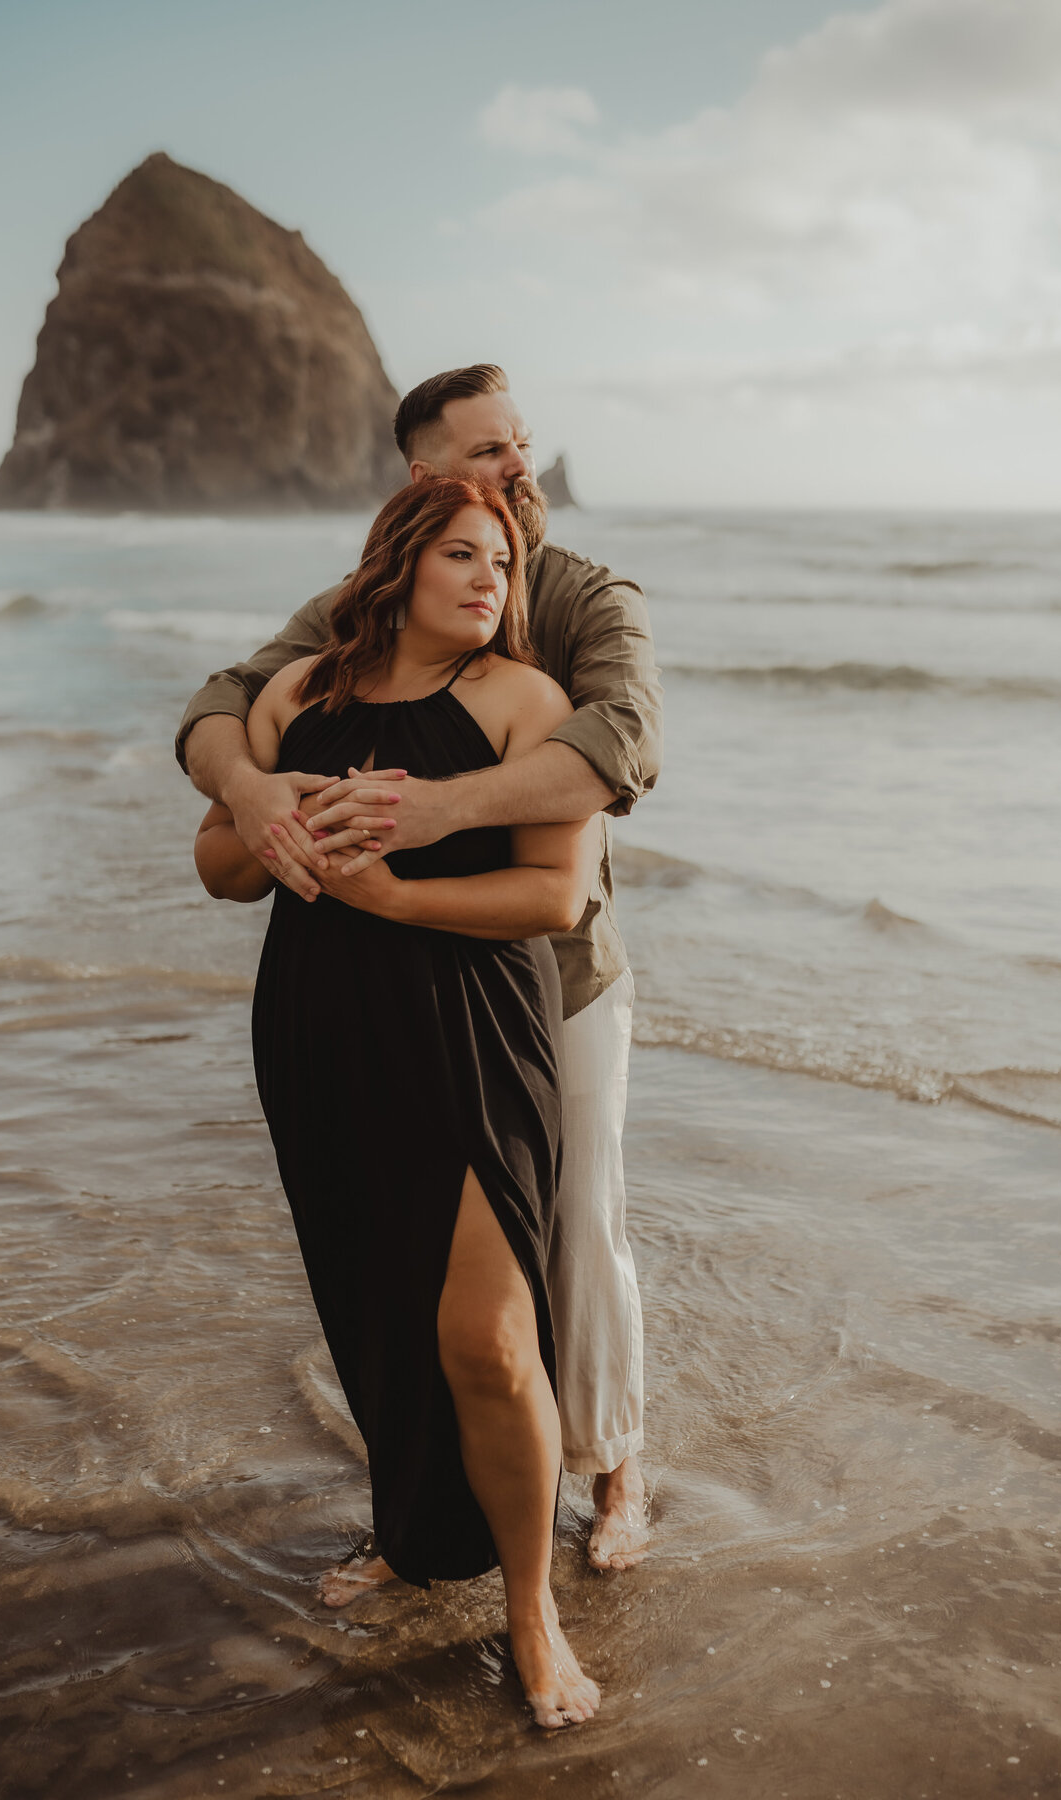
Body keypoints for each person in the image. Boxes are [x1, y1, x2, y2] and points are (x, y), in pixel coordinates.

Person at [177, 364, 662, 1573]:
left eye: (523, 446)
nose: (519, 474)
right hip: (385, 987)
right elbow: (224, 704)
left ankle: (614, 1470)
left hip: (560, 973)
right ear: (423, 481)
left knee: (576, 1229)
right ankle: (445, 1510)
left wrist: (427, 815)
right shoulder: (365, 602)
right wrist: (254, 794)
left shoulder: (585, 596)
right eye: (489, 455)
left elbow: (613, 749)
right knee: (417, 1265)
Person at [195, 474, 601, 1727]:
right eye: (467, 557)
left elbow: (556, 898)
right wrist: (278, 821)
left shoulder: (527, 704)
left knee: (486, 1336)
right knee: (377, 1309)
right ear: (399, 564)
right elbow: (217, 866)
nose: (492, 580)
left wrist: (401, 898)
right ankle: (412, 1538)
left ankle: (533, 1617)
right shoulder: (299, 695)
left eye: (506, 564)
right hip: (321, 1030)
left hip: (476, 1032)